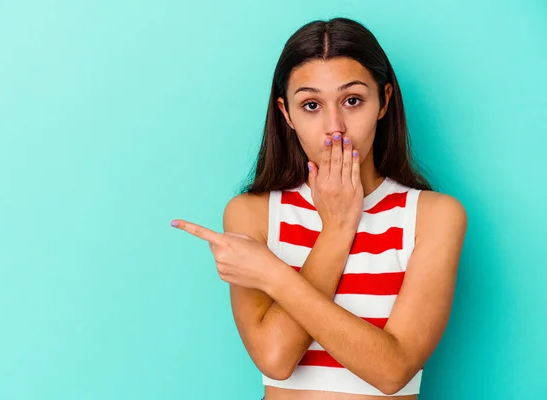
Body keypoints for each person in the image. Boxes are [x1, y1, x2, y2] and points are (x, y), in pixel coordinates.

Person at [171, 17, 467, 399]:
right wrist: (337, 230)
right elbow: (276, 359)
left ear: (384, 101)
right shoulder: (253, 213)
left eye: (353, 100)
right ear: (286, 113)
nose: (335, 127)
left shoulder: (433, 216)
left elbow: (392, 371)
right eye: (311, 105)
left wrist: (274, 275)